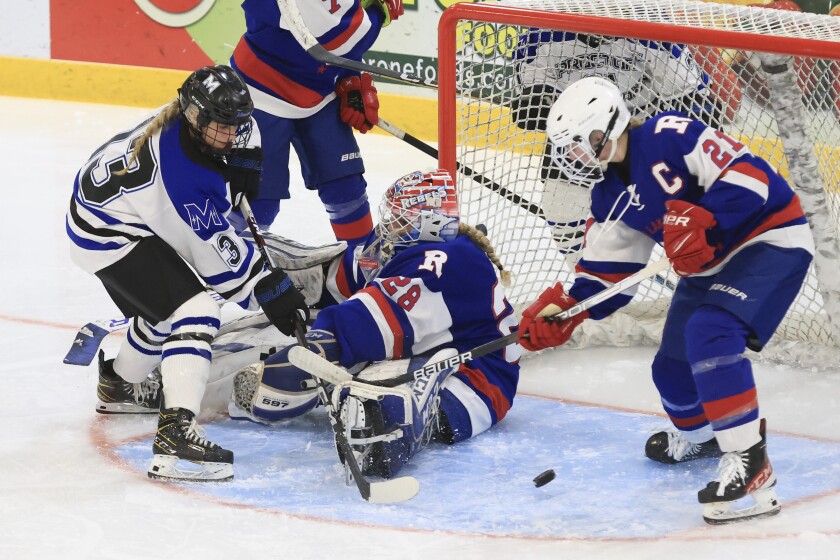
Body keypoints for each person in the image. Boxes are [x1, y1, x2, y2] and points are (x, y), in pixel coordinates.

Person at [517, 76, 814, 524]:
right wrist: (568, 310)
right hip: (708, 265)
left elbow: (751, 176)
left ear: (609, 125)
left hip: (769, 239)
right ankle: (703, 435)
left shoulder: (668, 135)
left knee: (710, 332)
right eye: (570, 149)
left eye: (583, 143)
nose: (576, 156)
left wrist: (709, 218)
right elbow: (608, 273)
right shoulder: (608, 196)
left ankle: (751, 461)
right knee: (671, 370)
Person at [66, 65, 309, 482]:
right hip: (106, 235)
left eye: (235, 127)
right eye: (221, 128)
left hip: (116, 207)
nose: (231, 136)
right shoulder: (183, 184)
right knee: (196, 311)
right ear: (195, 118)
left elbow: (245, 132)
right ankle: (176, 435)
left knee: (164, 309)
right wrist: (276, 294)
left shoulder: (206, 121)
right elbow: (227, 274)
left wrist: (245, 165)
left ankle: (121, 385)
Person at [228, 169, 522, 479]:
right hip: (442, 353)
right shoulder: (415, 249)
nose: (390, 226)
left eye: (401, 219)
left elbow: (370, 322)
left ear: (430, 223)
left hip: (475, 383)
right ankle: (369, 404)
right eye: (392, 216)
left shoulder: (445, 261)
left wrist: (318, 346)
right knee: (354, 377)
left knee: (381, 396)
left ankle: (394, 426)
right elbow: (354, 282)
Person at [510, 31, 735, 258]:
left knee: (695, 202)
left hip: (642, 129)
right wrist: (539, 103)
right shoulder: (540, 38)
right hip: (582, 138)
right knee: (561, 206)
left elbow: (695, 101)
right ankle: (586, 278)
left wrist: (710, 163)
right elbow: (527, 111)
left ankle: (712, 262)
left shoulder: (651, 30)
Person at [228, 0, 404, 247]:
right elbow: (337, 36)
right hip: (261, 94)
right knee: (258, 202)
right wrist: (379, 12)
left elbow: (337, 30)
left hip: (320, 95)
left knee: (346, 187)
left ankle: (358, 269)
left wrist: (350, 78)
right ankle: (232, 265)